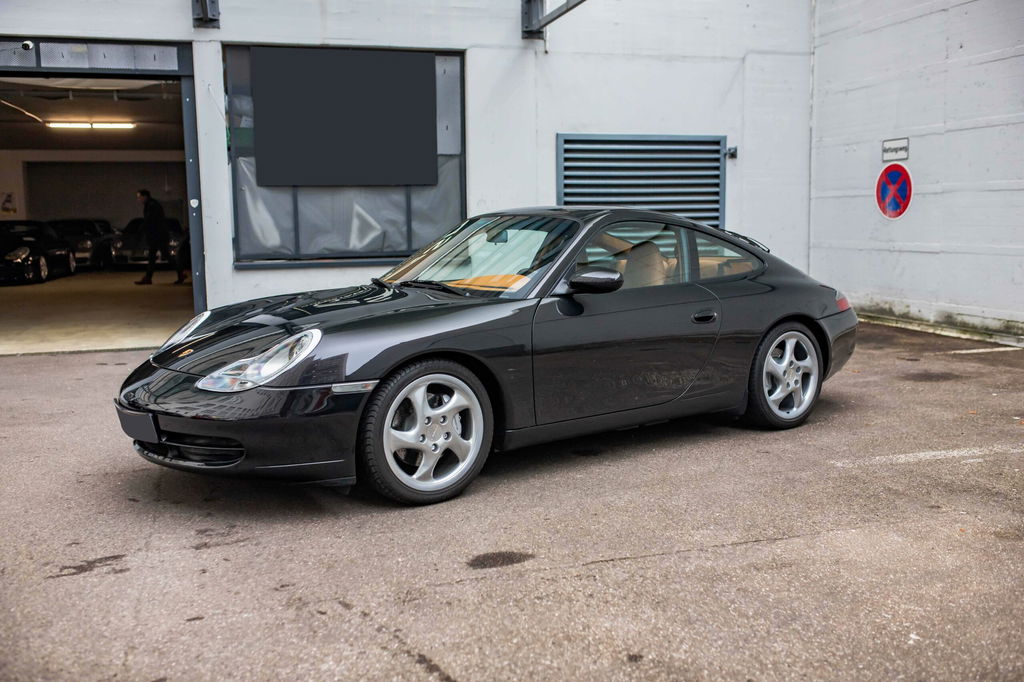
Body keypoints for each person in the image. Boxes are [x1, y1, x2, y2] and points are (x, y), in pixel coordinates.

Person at [134, 189, 186, 285]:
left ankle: (180, 272)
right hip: (158, 235)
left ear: (145, 196)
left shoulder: (152, 205)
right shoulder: (151, 204)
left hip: (157, 235)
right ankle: (179, 273)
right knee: (155, 256)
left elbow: (150, 220)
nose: (138, 199)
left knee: (159, 256)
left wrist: (141, 229)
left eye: (139, 197)